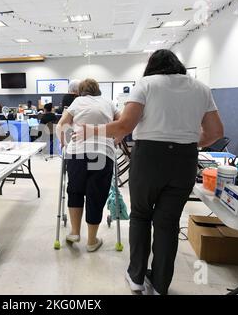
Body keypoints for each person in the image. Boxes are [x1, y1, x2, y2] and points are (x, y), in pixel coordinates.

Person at [75, 50, 224, 295]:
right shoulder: (201, 88)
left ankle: (136, 277)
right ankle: (160, 285)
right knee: (168, 223)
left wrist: (90, 131)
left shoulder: (146, 84)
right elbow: (216, 131)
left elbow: (124, 126)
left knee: (141, 216)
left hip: (150, 159)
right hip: (185, 161)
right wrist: (189, 142)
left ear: (151, 67)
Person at [56, 79, 120, 253]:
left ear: (80, 92)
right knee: (96, 194)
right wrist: (117, 139)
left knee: (75, 190)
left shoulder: (77, 102)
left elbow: (62, 124)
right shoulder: (109, 103)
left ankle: (75, 232)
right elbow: (121, 124)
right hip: (102, 152)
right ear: (98, 90)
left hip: (77, 152)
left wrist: (63, 143)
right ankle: (92, 241)